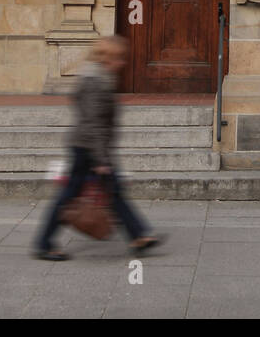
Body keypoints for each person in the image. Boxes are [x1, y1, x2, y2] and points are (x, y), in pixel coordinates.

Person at [33, 34, 163, 260]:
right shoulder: (95, 81)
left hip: (89, 145)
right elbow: (93, 123)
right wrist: (101, 160)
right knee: (70, 196)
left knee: (112, 193)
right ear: (107, 58)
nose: (122, 63)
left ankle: (138, 235)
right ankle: (44, 244)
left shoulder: (100, 77)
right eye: (119, 58)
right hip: (87, 148)